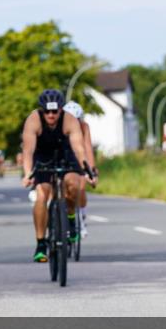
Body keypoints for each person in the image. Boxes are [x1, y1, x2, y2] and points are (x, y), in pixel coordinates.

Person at [21, 89, 94, 262]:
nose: (51, 115)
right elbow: (28, 151)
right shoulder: (33, 120)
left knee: (73, 184)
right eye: (47, 111)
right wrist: (27, 174)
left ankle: (69, 217)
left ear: (61, 109)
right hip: (43, 156)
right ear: (42, 110)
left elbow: (78, 147)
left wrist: (87, 168)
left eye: (55, 111)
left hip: (65, 153)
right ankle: (41, 243)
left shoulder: (69, 120)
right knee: (42, 194)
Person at [63, 100, 99, 237]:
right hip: (64, 158)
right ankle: (59, 218)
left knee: (81, 188)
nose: (74, 123)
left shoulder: (84, 127)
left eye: (77, 120)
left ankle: (82, 219)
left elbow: (88, 148)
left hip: (79, 158)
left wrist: (92, 170)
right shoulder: (60, 127)